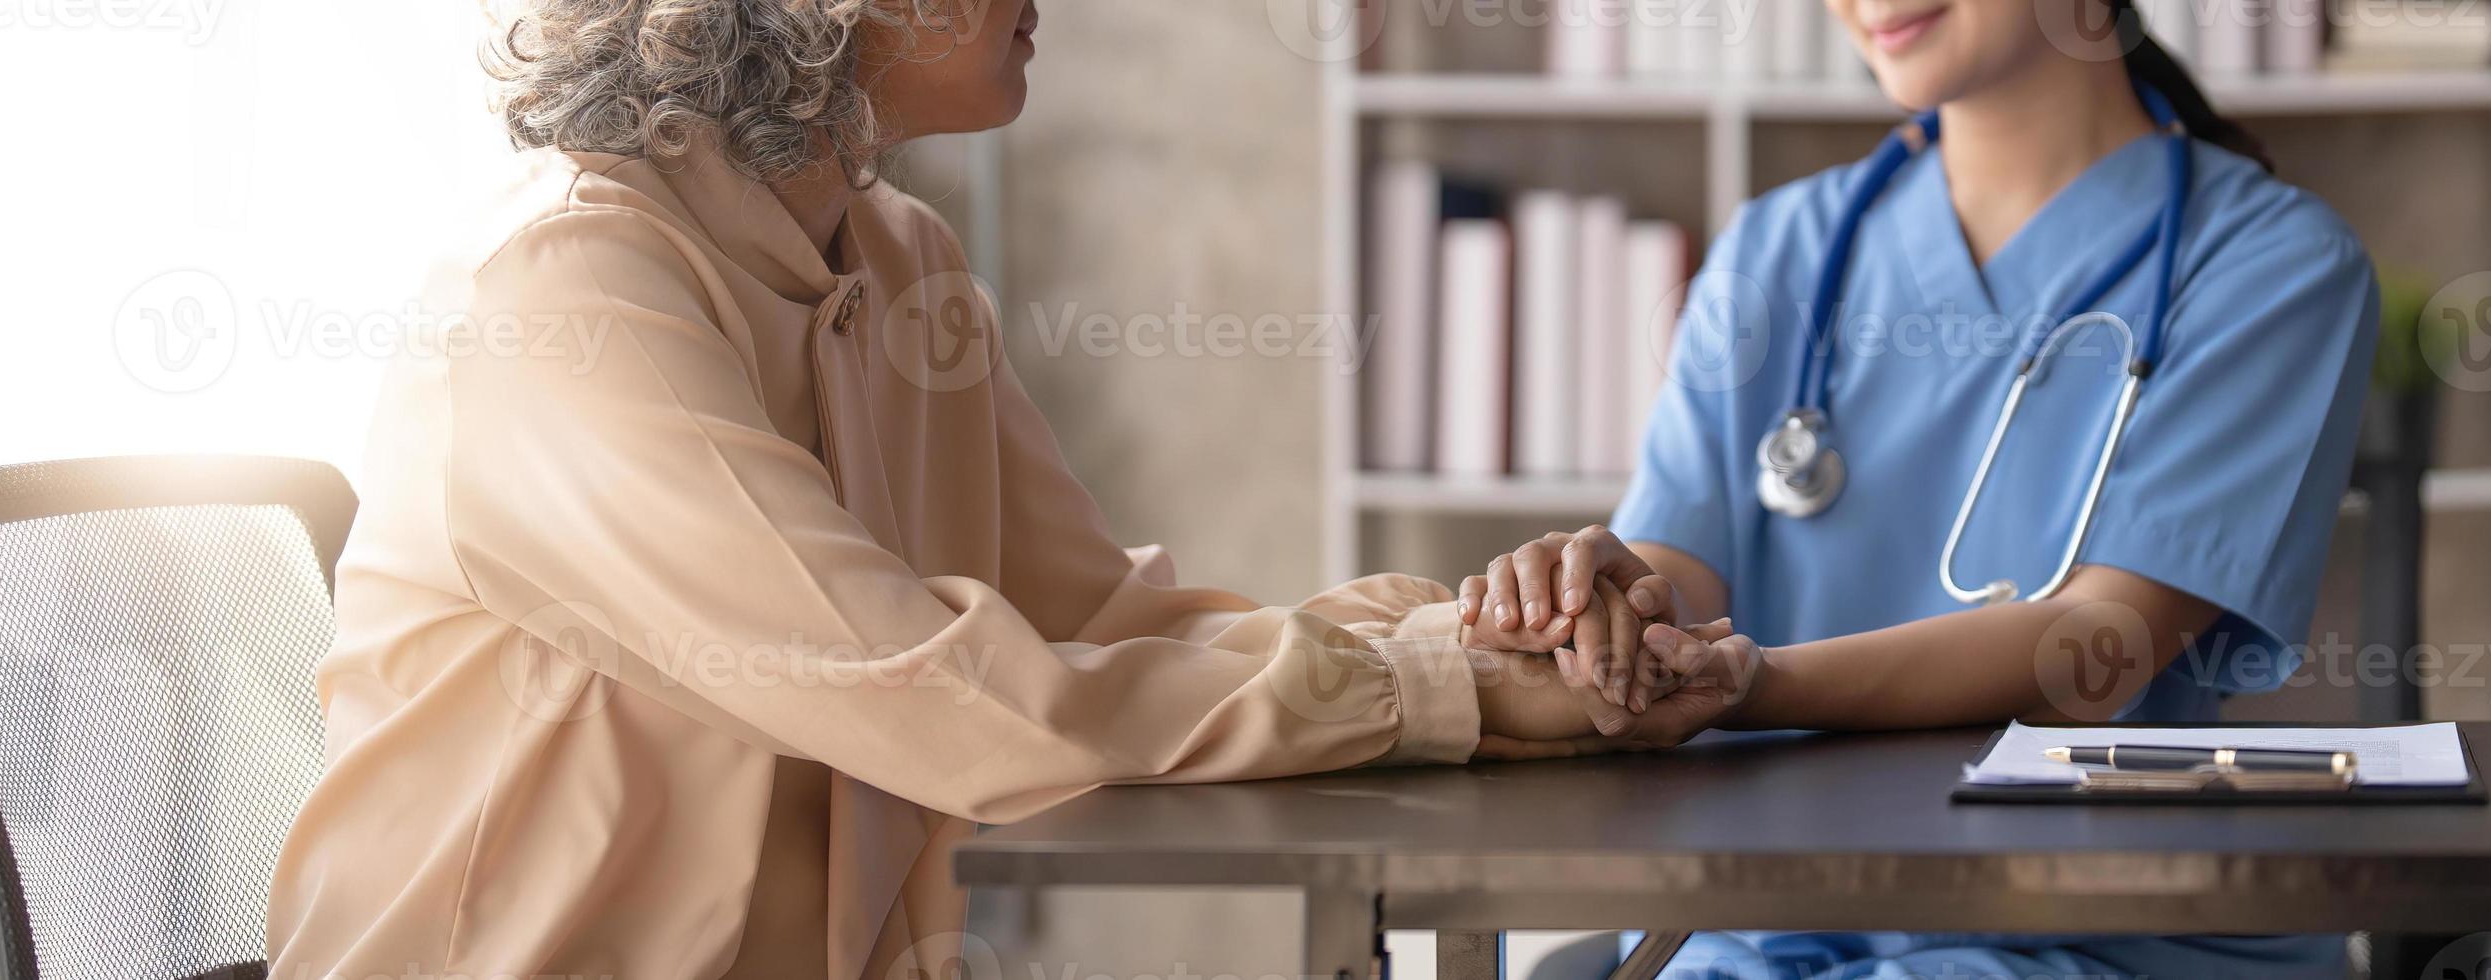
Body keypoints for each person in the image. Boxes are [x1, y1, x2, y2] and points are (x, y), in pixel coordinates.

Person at [264, 2, 1710, 977]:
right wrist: (1429, 690)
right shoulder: (571, 291)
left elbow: (1102, 622)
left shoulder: (900, 262)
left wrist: (1469, 641)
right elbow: (924, 686)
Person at [1460, 0, 2382, 975]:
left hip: (2091, 932)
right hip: (1759, 924)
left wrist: (1753, 683)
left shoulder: (2272, 264)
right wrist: (1608, 597)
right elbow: (1684, 566)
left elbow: (2099, 641)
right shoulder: (1779, 247)